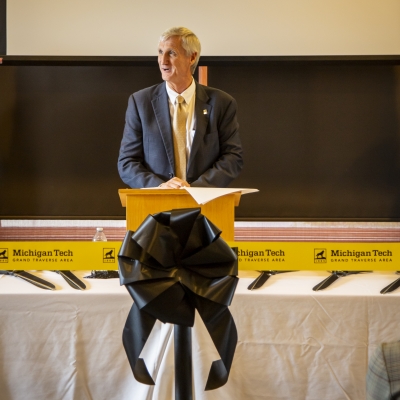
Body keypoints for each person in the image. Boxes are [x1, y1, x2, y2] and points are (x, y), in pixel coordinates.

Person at [118, 27, 243, 189]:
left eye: (172, 53)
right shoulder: (141, 102)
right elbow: (127, 162)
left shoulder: (222, 102)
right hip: (156, 204)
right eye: (160, 52)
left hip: (205, 203)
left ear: (192, 57)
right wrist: (160, 186)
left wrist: (196, 189)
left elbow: (232, 157)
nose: (163, 61)